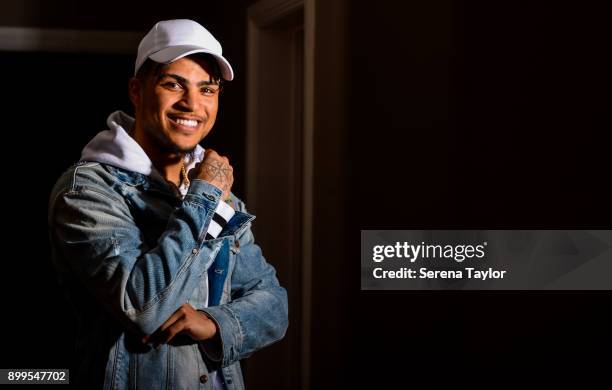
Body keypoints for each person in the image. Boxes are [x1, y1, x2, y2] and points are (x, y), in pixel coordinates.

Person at [48, 19, 288, 389]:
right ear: (137, 90)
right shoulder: (89, 190)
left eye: (207, 89)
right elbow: (143, 307)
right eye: (173, 84)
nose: (192, 104)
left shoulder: (214, 189)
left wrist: (214, 324)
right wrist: (206, 196)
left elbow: (274, 305)